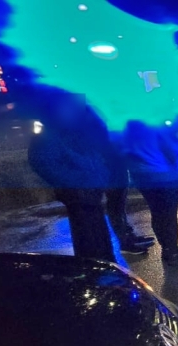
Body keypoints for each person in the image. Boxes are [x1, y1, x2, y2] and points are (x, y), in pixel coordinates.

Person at [27, 93, 116, 261]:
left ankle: (105, 264)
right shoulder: (51, 133)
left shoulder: (76, 130)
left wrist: (101, 175)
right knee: (88, 237)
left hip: (91, 189)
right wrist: (76, 181)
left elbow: (95, 156)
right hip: (77, 193)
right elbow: (42, 163)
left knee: (98, 232)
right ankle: (94, 267)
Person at [120, 121, 178, 266]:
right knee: (168, 215)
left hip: (141, 175)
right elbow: (169, 148)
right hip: (164, 174)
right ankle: (171, 252)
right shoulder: (155, 121)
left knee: (157, 212)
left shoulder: (127, 124)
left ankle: (167, 246)